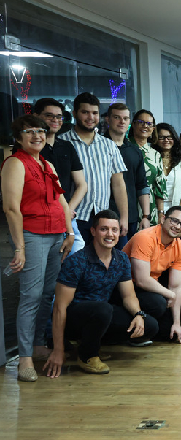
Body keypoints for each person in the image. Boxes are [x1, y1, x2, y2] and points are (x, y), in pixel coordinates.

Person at [2, 115, 75, 382]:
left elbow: (62, 202)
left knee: (47, 295)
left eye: (41, 131)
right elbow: (11, 208)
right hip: (32, 236)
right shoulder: (15, 163)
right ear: (19, 137)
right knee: (30, 297)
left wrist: (69, 232)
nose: (37, 135)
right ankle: (24, 358)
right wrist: (19, 248)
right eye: (29, 131)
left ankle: (36, 344)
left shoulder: (47, 164)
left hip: (57, 235)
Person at [43, 210, 158, 378]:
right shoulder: (76, 261)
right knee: (103, 309)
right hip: (73, 320)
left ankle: (92, 344)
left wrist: (138, 315)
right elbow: (60, 308)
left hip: (100, 315)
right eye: (104, 229)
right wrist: (58, 350)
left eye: (114, 230)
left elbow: (128, 296)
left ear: (119, 232)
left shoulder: (121, 259)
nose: (110, 234)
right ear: (93, 231)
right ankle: (87, 356)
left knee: (150, 326)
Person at [60, 93, 129, 242]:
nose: (90, 117)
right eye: (85, 112)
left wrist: (123, 218)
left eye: (95, 113)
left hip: (102, 219)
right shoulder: (62, 143)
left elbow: (118, 184)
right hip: (73, 217)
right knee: (73, 263)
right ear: (74, 114)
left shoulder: (108, 145)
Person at [123, 206, 181, 344]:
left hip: (149, 288)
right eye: (174, 221)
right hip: (126, 286)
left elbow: (176, 286)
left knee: (170, 333)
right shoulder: (145, 237)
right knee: (158, 304)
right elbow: (141, 280)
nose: (177, 226)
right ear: (163, 219)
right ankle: (131, 329)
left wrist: (177, 323)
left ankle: (147, 327)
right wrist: (169, 294)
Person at [35, 98, 88, 254]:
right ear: (36, 116)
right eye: (49, 115)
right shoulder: (30, 148)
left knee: (76, 259)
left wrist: (67, 210)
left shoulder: (66, 146)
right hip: (40, 219)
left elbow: (82, 184)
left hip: (67, 216)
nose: (55, 120)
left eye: (58, 116)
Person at [104, 102, 148, 247]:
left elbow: (142, 185)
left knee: (126, 260)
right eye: (117, 117)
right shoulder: (99, 147)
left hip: (131, 217)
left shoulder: (135, 151)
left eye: (125, 118)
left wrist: (146, 216)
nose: (122, 121)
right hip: (104, 215)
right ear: (108, 119)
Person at [129, 109, 166, 225]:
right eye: (141, 122)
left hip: (150, 211)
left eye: (149, 124)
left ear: (153, 129)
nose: (145, 126)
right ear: (133, 124)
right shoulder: (124, 148)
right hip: (128, 206)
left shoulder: (156, 154)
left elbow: (159, 188)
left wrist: (160, 213)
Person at [156, 123, 181, 208]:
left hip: (177, 205)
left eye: (169, 137)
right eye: (161, 137)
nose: (166, 140)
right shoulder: (152, 159)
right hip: (154, 207)